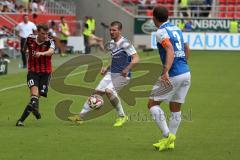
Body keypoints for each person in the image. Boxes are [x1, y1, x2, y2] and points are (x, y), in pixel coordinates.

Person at [68, 21, 139, 127]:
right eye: (110, 30)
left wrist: (127, 69)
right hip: (111, 73)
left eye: (114, 30)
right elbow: (114, 58)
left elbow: (136, 58)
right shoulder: (111, 43)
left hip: (122, 75)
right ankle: (80, 117)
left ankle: (122, 116)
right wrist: (106, 68)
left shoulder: (125, 43)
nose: (111, 32)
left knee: (109, 91)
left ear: (120, 31)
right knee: (96, 93)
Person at [149, 6, 191, 151]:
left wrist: (166, 71)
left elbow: (169, 49)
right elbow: (187, 48)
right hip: (186, 73)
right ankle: (170, 142)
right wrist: (184, 63)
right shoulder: (177, 29)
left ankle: (168, 136)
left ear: (154, 18)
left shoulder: (161, 32)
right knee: (175, 107)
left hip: (173, 74)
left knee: (152, 104)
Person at [16, 24, 55, 126]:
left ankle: (35, 110)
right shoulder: (30, 38)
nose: (45, 36)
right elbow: (24, 48)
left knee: (37, 97)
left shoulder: (50, 41)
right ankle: (21, 120)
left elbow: (51, 51)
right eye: (43, 33)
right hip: (33, 72)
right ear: (37, 32)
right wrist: (27, 51)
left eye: (47, 33)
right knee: (34, 97)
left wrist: (41, 53)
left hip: (46, 73)